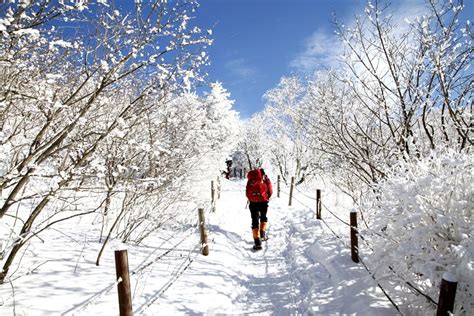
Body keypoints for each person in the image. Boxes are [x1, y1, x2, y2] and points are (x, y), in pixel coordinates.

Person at [246, 168, 273, 251]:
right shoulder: (265, 178)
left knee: (254, 220)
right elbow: (270, 190)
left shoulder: (250, 180)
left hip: (253, 203)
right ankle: (262, 234)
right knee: (263, 217)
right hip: (263, 201)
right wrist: (267, 197)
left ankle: (257, 242)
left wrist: (251, 199)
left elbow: (247, 192)